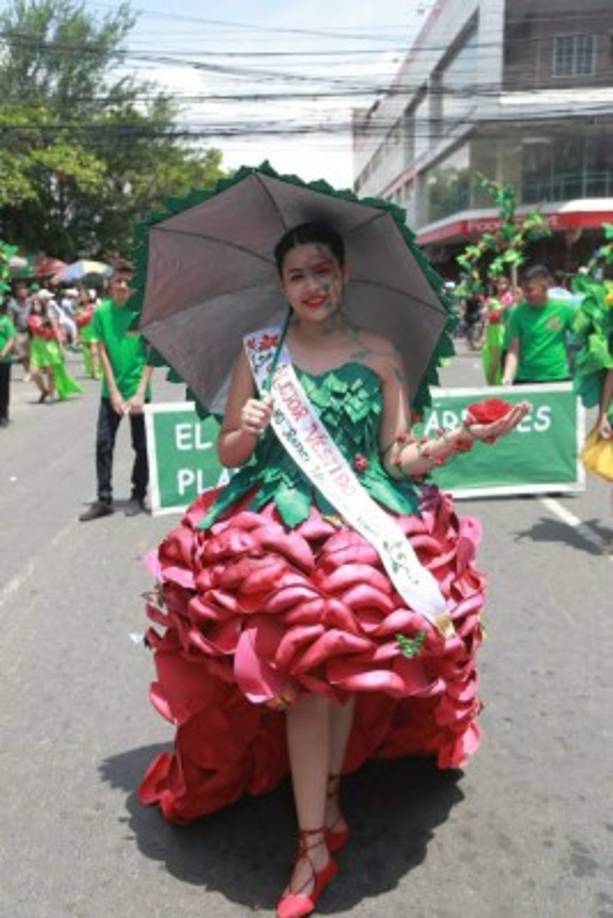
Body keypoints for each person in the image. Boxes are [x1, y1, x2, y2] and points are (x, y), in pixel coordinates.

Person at [138, 222, 528, 918]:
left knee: (343, 668)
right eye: (295, 276)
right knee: (304, 680)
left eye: (321, 271)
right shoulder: (257, 355)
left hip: (360, 523)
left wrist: (463, 438)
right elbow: (229, 454)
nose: (310, 287)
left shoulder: (380, 354)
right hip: (276, 529)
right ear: (281, 285)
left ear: (343, 274)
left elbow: (397, 457)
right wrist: (247, 428)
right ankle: (313, 839)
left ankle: (328, 810)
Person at [79, 269, 153, 521]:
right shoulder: (101, 312)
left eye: (127, 281)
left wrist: (140, 392)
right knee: (103, 445)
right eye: (118, 281)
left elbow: (151, 354)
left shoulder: (142, 312)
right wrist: (112, 391)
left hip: (139, 393)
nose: (122, 285)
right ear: (110, 285)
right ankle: (104, 499)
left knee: (142, 446)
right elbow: (101, 351)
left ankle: (138, 494)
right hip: (111, 392)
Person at [502, 264, 576, 386]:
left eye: (530, 290)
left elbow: (582, 334)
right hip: (526, 379)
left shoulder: (563, 309)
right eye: (524, 290)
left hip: (558, 377)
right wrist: (507, 377)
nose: (526, 294)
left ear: (545, 286)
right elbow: (513, 350)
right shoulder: (517, 313)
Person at [27, 292, 83, 403]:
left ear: (42, 305)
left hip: (50, 345)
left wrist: (61, 346)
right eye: (34, 304)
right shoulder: (31, 318)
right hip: (37, 346)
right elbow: (33, 331)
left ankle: (51, 394)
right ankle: (44, 390)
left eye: (38, 304)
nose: (36, 306)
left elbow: (57, 331)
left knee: (51, 373)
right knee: (34, 372)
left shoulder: (49, 316)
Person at [479, 275, 517, 385]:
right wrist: (483, 335)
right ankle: (491, 384)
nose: (502, 286)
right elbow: (488, 317)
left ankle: (503, 383)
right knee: (495, 361)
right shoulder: (491, 300)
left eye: (505, 284)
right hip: (495, 331)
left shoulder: (510, 298)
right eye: (500, 284)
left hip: (507, 330)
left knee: (506, 360)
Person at [74, 287, 101, 379]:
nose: (82, 297)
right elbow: (77, 322)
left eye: (84, 295)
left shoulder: (94, 307)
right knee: (88, 353)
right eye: (80, 295)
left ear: (89, 297)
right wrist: (77, 335)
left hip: (93, 330)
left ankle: (97, 372)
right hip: (84, 331)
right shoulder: (79, 308)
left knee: (94, 352)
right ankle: (92, 371)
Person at [7, 281, 32, 378]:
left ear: (27, 291)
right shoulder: (12, 304)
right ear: (17, 293)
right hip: (18, 332)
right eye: (20, 291)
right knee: (22, 354)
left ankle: (33, 370)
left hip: (31, 332)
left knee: (31, 353)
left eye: (24, 290)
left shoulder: (32, 301)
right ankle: (28, 372)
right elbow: (10, 319)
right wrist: (11, 334)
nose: (23, 293)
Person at [0, 299, 17, 426]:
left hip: (3, 361)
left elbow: (11, 339)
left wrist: (3, 352)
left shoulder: (6, 321)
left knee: (3, 388)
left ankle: (4, 415)